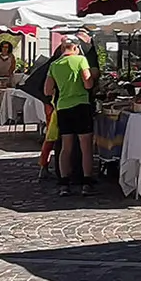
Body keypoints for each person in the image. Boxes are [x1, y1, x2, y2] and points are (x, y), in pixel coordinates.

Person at [45, 37, 96, 197]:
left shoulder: (54, 65)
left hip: (63, 108)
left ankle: (64, 184)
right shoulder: (81, 60)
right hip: (81, 105)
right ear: (76, 48)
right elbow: (88, 84)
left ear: (62, 48)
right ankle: (86, 183)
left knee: (66, 147)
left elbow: (47, 90)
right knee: (85, 146)